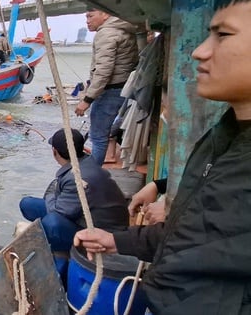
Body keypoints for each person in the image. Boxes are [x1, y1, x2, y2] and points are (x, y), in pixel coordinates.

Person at [74, 1, 251, 313]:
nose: (199, 51)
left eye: (223, 35)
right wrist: (118, 241)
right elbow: (192, 234)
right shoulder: (221, 138)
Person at [19, 128, 129, 281]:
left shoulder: (76, 178)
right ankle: (55, 243)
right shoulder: (87, 162)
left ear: (54, 152)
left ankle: (61, 255)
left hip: (102, 232)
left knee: (51, 223)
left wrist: (51, 194)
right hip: (85, 216)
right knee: (27, 204)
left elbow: (58, 211)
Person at [75, 8, 139, 165]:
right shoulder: (125, 30)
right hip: (123, 88)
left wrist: (87, 99)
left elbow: (104, 71)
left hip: (109, 90)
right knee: (104, 133)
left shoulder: (106, 33)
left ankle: (92, 173)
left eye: (90, 16)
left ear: (105, 14)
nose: (87, 20)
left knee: (98, 136)